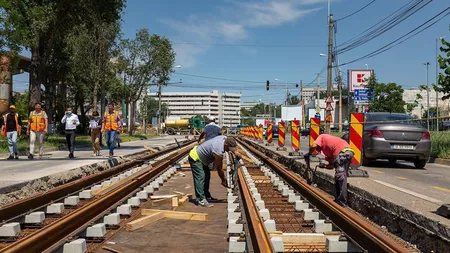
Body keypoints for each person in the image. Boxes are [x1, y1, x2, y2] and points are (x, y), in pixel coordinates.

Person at [304, 134, 354, 207]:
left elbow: (313, 146)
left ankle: (342, 201)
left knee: (340, 177)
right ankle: (339, 198)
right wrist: (323, 166)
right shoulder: (329, 150)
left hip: (342, 153)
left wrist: (309, 153)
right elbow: (332, 166)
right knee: (340, 176)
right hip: (348, 153)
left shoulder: (321, 136)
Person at [188, 136, 236, 207]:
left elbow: (230, 141)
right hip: (195, 157)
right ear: (226, 145)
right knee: (200, 177)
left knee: (207, 175)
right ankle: (201, 199)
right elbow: (219, 168)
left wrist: (236, 152)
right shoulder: (218, 151)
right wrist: (223, 180)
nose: (228, 151)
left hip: (202, 158)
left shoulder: (224, 138)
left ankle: (206, 196)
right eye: (228, 149)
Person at [197, 116, 222, 201]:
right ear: (215, 120)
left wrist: (199, 140)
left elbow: (203, 134)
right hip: (215, 145)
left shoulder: (206, 127)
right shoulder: (218, 127)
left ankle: (209, 166)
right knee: (214, 157)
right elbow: (220, 135)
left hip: (208, 144)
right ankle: (213, 166)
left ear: (208, 120)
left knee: (207, 159)